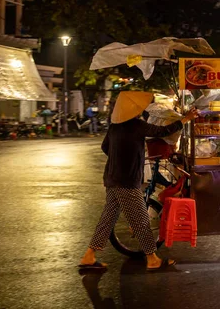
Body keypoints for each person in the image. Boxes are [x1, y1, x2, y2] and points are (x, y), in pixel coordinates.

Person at [80, 91, 198, 271]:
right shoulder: (136, 125)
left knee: (108, 218)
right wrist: (185, 118)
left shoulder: (115, 127)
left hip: (112, 178)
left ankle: (89, 255)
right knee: (140, 219)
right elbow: (162, 131)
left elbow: (105, 147)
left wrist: (119, 158)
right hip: (127, 180)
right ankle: (152, 258)